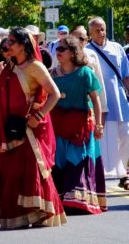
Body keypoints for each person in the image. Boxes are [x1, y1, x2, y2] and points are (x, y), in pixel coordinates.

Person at [0, 27, 66, 229]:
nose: (8, 45)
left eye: (12, 42)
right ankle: (18, 215)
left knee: (29, 171)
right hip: (7, 126)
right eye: (7, 42)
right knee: (10, 170)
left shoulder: (36, 67)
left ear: (24, 45)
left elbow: (54, 94)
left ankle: (37, 213)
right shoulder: (9, 66)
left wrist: (38, 116)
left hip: (28, 128)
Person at [50, 35, 106, 214]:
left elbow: (95, 100)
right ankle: (62, 202)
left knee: (76, 160)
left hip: (79, 126)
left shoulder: (85, 73)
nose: (58, 52)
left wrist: (99, 125)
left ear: (73, 52)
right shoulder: (52, 74)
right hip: (58, 125)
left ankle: (78, 203)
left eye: (62, 49)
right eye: (57, 49)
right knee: (59, 163)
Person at [82, 16, 129, 189]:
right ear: (90, 33)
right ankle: (108, 174)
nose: (101, 32)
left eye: (103, 29)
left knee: (126, 136)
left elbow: (125, 75)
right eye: (97, 30)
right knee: (106, 141)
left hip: (120, 101)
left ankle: (124, 171)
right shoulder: (87, 51)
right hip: (101, 102)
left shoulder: (117, 48)